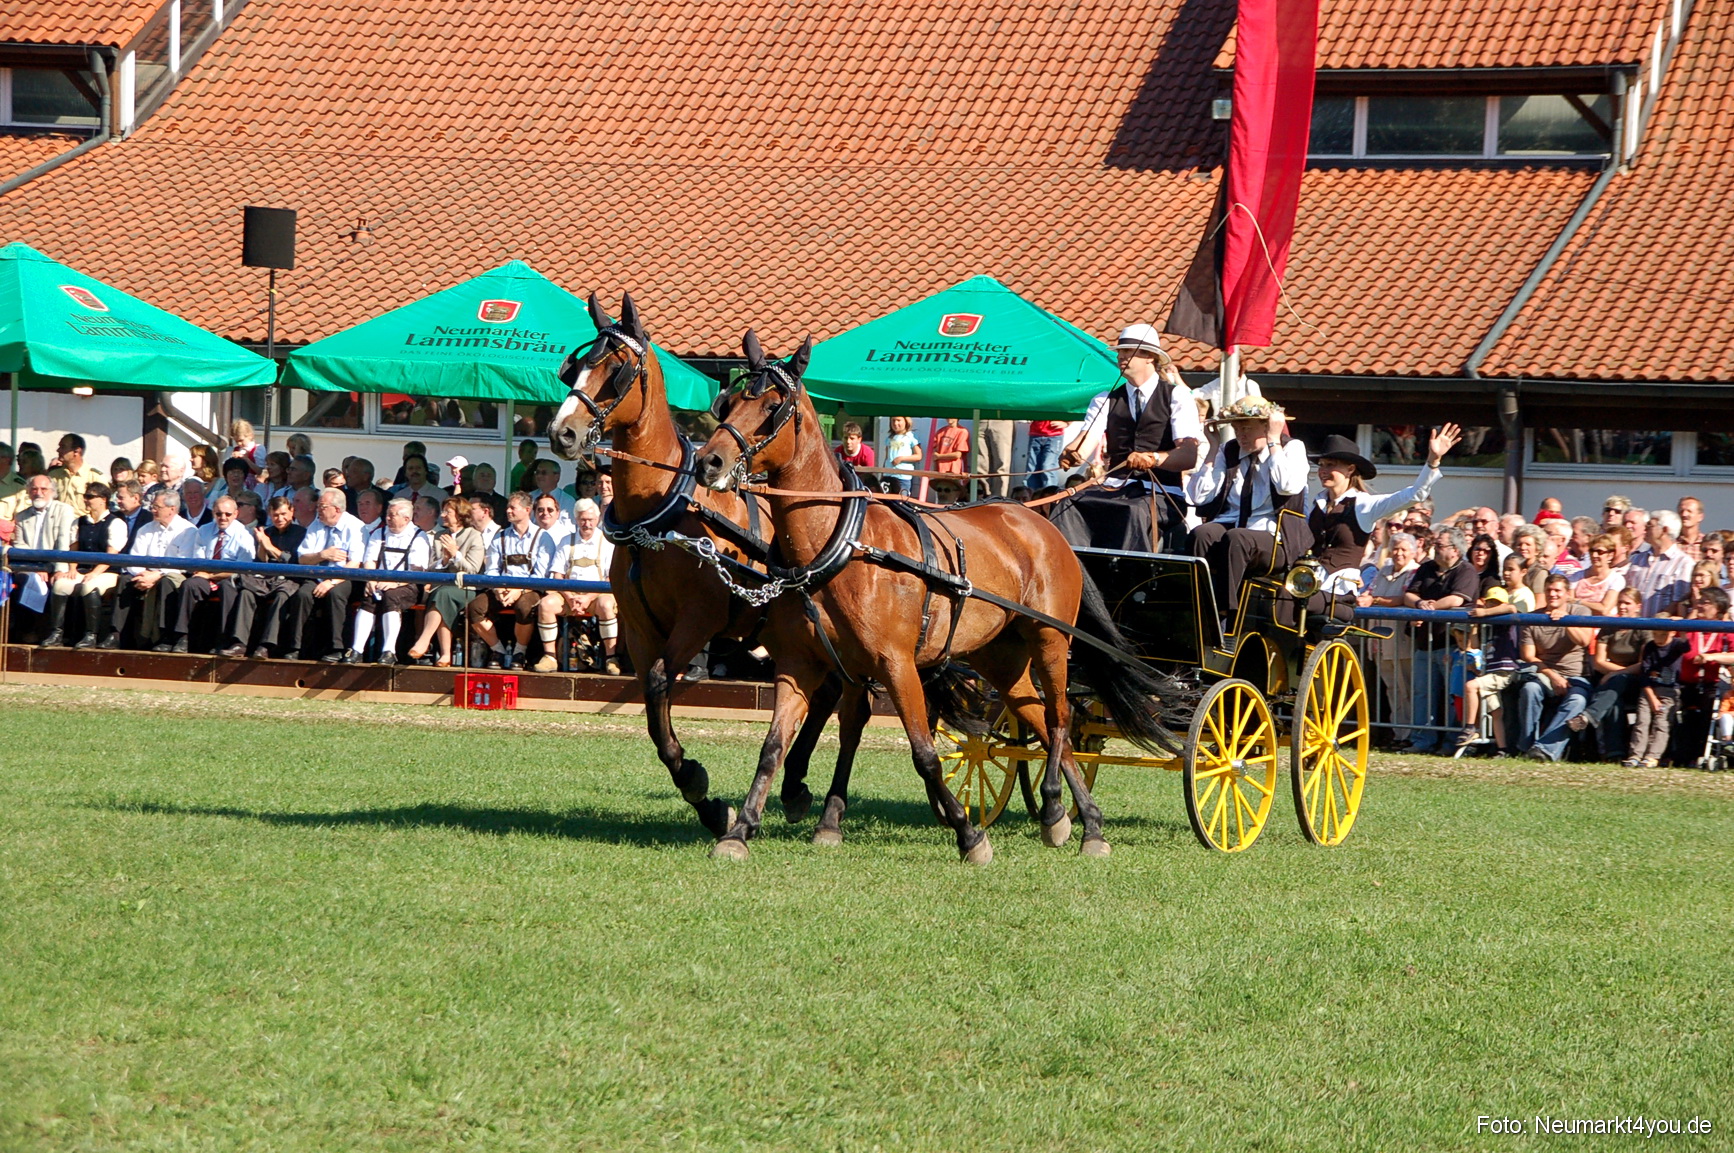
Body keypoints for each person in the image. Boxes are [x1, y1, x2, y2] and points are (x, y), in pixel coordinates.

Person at [1055, 324, 1204, 553]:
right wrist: (1072, 454)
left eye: (1129, 351)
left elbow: (1188, 455)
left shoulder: (1177, 395)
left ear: (1150, 357)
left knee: (1133, 512)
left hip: (1162, 492)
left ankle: (1132, 582)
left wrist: (1153, 459)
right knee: (1067, 505)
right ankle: (1075, 573)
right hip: (1115, 488)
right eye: (1120, 352)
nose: (1122, 357)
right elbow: (1087, 437)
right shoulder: (1105, 398)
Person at [1301, 425, 1461, 622]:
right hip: (1309, 584)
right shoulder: (1317, 504)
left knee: (1296, 603)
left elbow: (1414, 495)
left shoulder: (1364, 505)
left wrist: (1432, 461)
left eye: (1330, 465)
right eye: (1322, 465)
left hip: (1339, 593)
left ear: (1350, 469)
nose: (1323, 471)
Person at [1185, 395, 1308, 622]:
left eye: (1247, 428)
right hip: (1233, 525)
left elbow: (1287, 486)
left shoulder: (1292, 447)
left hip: (1275, 538)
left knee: (1237, 538)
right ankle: (1195, 602)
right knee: (1201, 534)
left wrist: (1273, 442)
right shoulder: (1227, 450)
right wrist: (1212, 449)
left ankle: (1224, 612)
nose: (1240, 434)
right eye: (1236, 428)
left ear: (1266, 425)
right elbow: (1198, 496)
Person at [1402, 527, 1480, 752]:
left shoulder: (1467, 571)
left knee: (1452, 697)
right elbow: (1409, 593)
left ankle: (1450, 743)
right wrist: (1418, 604)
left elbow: (1457, 599)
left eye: (1440, 545)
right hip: (1423, 644)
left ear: (1455, 550)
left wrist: (1430, 607)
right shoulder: (1426, 567)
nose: (1435, 549)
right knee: (1421, 694)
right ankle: (1422, 741)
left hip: (1452, 645)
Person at [1511, 574, 1598, 761]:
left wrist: (1566, 621)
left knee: (1577, 701)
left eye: (1558, 590)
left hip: (1576, 675)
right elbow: (1528, 656)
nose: (1553, 594)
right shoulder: (1532, 618)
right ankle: (1526, 746)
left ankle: (1543, 749)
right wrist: (1553, 676)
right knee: (1530, 689)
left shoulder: (1581, 612)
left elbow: (1584, 640)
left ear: (1567, 593)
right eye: (1549, 590)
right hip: (1544, 674)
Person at [157, 496, 254, 653]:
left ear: (236, 514)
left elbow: (242, 569)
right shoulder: (204, 530)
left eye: (227, 514)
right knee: (189, 585)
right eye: (219, 513)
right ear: (213, 513)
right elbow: (199, 561)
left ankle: (224, 640)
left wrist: (210, 576)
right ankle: (183, 637)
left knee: (227, 588)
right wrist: (206, 575)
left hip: (230, 578)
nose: (223, 518)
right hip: (205, 575)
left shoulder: (244, 535)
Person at [340, 498, 431, 665]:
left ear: (406, 518)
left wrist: (395, 583)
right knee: (368, 597)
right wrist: (371, 580)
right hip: (380, 582)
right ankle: (357, 650)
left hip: (409, 585)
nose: (388, 518)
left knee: (391, 596)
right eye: (387, 515)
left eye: (392, 515)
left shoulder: (419, 536)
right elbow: (370, 560)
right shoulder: (379, 533)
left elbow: (417, 570)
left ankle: (389, 651)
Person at [105, 491, 196, 649]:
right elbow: (134, 558)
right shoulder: (146, 529)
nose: (152, 510)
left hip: (172, 576)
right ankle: (116, 634)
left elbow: (184, 564)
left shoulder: (188, 530)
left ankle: (163, 637)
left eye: (157, 507)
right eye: (152, 506)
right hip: (145, 574)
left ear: (172, 509)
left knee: (166, 583)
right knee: (125, 580)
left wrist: (158, 575)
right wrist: (143, 575)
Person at [466, 492, 547, 668]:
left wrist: (520, 590)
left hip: (531, 589)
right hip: (502, 588)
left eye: (513, 508)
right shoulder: (500, 536)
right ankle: (499, 650)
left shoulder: (542, 537)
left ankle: (519, 652)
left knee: (524, 607)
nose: (508, 511)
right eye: (508, 507)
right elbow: (492, 570)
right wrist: (498, 589)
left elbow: (541, 575)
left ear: (527, 510)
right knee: (474, 608)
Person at [540, 498, 618, 673]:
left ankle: (611, 658)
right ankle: (549, 657)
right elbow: (557, 575)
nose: (587, 524)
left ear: (597, 519)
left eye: (590, 520)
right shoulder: (566, 541)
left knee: (606, 605)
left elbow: (611, 578)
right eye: (582, 519)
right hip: (569, 596)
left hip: (596, 595)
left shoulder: (606, 542)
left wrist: (587, 597)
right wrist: (570, 597)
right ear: (576, 519)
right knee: (546, 604)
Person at [407, 496, 486, 667]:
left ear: (459, 515)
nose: (442, 515)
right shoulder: (439, 536)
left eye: (447, 512)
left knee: (441, 596)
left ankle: (424, 639)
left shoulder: (474, 536)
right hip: (443, 587)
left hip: (466, 588)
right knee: (441, 597)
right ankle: (445, 655)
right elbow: (431, 566)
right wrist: (444, 559)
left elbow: (472, 569)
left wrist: (455, 554)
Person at [46, 483, 126, 649]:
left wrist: (95, 572)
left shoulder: (116, 523)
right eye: (86, 496)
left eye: (90, 496)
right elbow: (73, 549)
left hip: (108, 571)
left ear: (103, 500)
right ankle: (57, 633)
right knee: (60, 585)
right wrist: (72, 569)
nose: (86, 500)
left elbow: (112, 554)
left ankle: (91, 635)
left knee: (89, 586)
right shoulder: (80, 522)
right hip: (83, 570)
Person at [226, 495, 306, 658]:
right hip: (266, 578)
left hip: (290, 578)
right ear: (270, 514)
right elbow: (260, 562)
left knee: (281, 596)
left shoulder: (301, 533)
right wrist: (262, 545)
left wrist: (269, 546)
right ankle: (239, 643)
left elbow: (294, 561)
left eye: (284, 514)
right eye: (276, 515)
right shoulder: (267, 531)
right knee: (246, 593)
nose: (280, 518)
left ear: (292, 512)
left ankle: (266, 646)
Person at [291, 488, 366, 662]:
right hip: (317, 573)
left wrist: (331, 582)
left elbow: (355, 564)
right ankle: (297, 647)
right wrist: (322, 555)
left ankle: (337, 647)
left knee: (335, 594)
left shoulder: (355, 527)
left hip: (345, 576)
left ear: (337, 509)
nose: (318, 510)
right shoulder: (316, 525)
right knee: (303, 595)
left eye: (322, 506)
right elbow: (302, 558)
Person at [1570, 587, 1647, 756]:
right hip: (1611, 683)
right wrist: (1615, 675)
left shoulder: (1643, 627)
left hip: (1636, 682)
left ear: (1638, 606)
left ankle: (1588, 716)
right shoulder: (1609, 626)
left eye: (1627, 603)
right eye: (1620, 602)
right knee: (1614, 698)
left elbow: (1643, 664)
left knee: (1617, 682)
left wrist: (1616, 673)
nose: (1622, 607)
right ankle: (1614, 753)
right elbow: (1598, 662)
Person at [1361, 531, 1419, 742]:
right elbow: (1370, 592)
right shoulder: (1383, 571)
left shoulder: (1415, 572)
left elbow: (1402, 597)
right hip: (1379, 641)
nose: (1399, 553)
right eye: (1395, 548)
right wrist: (1366, 597)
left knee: (1407, 688)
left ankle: (1410, 733)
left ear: (1413, 552)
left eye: (1404, 549)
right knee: (1391, 689)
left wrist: (1374, 600)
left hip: (1401, 641)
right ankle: (1398, 732)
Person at [12, 475, 79, 643]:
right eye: (34, 489)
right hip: (30, 565)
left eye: (43, 489)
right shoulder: (21, 516)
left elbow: (63, 542)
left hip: (55, 562)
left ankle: (54, 633)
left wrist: (59, 570)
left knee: (58, 584)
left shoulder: (64, 510)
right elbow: (19, 544)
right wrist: (37, 567)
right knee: (24, 579)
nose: (38, 493)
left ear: (53, 492)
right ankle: (27, 632)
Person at [1461, 586, 1524, 751]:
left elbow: (1510, 608)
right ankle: (1502, 749)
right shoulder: (1488, 626)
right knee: (1496, 712)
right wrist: (1475, 624)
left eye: (1496, 603)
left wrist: (1485, 613)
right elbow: (1473, 646)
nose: (1492, 606)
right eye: (1489, 603)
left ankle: (1470, 728)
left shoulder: (1507, 620)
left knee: (1470, 686)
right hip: (1491, 671)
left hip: (1505, 671)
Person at [1678, 587, 1734, 764]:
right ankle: (1680, 756)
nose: (1700, 605)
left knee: (1708, 711)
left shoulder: (1725, 630)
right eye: (1699, 601)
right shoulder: (1691, 626)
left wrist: (1711, 657)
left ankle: (1703, 754)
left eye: (1705, 602)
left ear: (1718, 608)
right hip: (1686, 684)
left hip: (1712, 685)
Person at [1623, 618, 1689, 767]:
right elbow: (1644, 674)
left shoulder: (1676, 645)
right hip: (1649, 690)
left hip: (1670, 691)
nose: (1658, 638)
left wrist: (1682, 624)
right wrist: (1651, 697)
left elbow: (1686, 647)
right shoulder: (1649, 647)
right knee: (1642, 721)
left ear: (1672, 632)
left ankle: (1653, 756)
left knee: (1662, 723)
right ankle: (1635, 754)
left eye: (1662, 634)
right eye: (1655, 634)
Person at [1625, 509, 1693, 616]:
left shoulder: (1683, 563)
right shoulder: (1637, 559)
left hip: (1660, 628)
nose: (1645, 529)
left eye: (1650, 526)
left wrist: (1660, 621)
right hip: (1633, 627)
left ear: (1664, 530)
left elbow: (1680, 600)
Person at [1569, 533, 1626, 614]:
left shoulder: (1616, 579)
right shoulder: (1576, 576)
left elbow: (1605, 609)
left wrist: (1579, 602)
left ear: (1610, 555)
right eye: (1592, 551)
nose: (1594, 555)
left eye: (1600, 552)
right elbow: (1569, 603)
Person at [47, 434, 106, 507]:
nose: (58, 450)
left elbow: (103, 506)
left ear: (77, 451)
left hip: (83, 518)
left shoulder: (95, 477)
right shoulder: (54, 475)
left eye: (63, 447)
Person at [1025, 417, 1067, 492]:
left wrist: (1067, 423)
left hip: (1054, 435)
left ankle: (1050, 497)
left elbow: (1072, 406)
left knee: (1048, 467)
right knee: (1032, 469)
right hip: (1035, 434)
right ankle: (1031, 497)